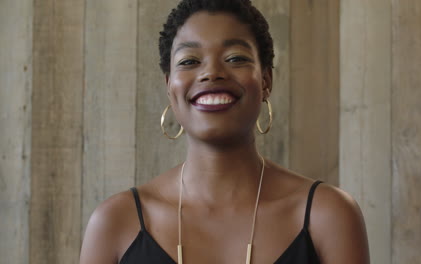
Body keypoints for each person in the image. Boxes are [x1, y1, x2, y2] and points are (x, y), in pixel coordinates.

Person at [79, 0, 370, 263]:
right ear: (170, 86)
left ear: (266, 79)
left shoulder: (328, 216)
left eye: (235, 58)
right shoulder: (116, 222)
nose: (211, 73)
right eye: (189, 61)